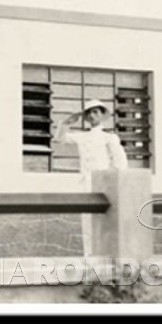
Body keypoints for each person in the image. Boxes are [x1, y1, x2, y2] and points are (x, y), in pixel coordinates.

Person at [52, 99, 128, 256]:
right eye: (89, 113)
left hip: (104, 186)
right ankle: (91, 266)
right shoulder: (83, 137)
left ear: (102, 115)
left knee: (106, 225)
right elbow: (60, 139)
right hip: (86, 185)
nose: (92, 115)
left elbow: (121, 164)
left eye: (95, 112)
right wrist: (66, 122)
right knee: (87, 225)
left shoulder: (109, 137)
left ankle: (109, 267)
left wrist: (114, 183)